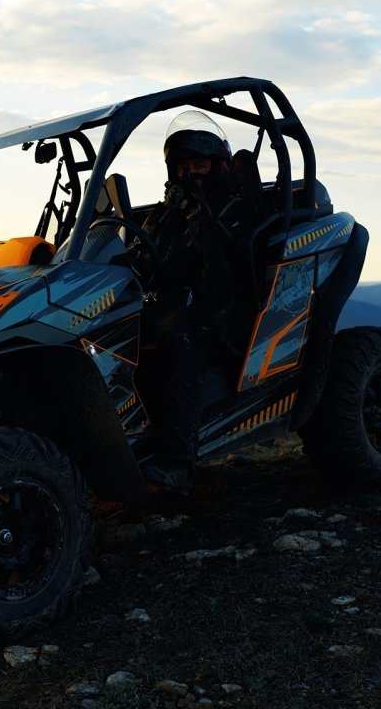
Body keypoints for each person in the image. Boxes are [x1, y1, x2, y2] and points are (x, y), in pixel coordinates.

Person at [132, 110, 243, 495]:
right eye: (184, 166)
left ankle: (177, 463)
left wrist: (197, 211)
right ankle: (141, 434)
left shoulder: (232, 207)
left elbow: (217, 261)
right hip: (172, 302)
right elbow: (148, 254)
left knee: (179, 342)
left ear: (218, 166)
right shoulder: (168, 212)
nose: (192, 173)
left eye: (200, 165)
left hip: (223, 309)